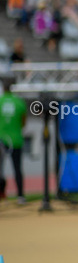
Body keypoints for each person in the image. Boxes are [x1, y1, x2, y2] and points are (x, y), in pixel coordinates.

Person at [0, 76, 28, 204]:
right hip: (16, 138)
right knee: (17, 168)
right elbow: (23, 122)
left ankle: (2, 193)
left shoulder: (0, 101)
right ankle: (21, 196)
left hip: (1, 138)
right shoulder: (19, 103)